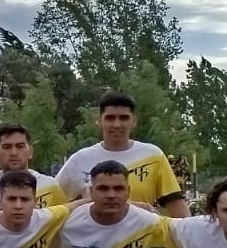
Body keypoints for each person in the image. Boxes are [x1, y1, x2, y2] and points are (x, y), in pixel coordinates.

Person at [56, 91, 188, 218]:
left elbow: (176, 206)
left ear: (134, 121)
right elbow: (54, 207)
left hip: (139, 238)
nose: (117, 124)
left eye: (124, 118)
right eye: (110, 118)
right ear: (99, 121)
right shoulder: (80, 159)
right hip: (94, 239)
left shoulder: (153, 156)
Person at [57, 161, 172, 248]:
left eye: (118, 188)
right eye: (103, 188)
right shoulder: (68, 222)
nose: (111, 195)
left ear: (128, 191)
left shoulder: (150, 223)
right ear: (91, 191)